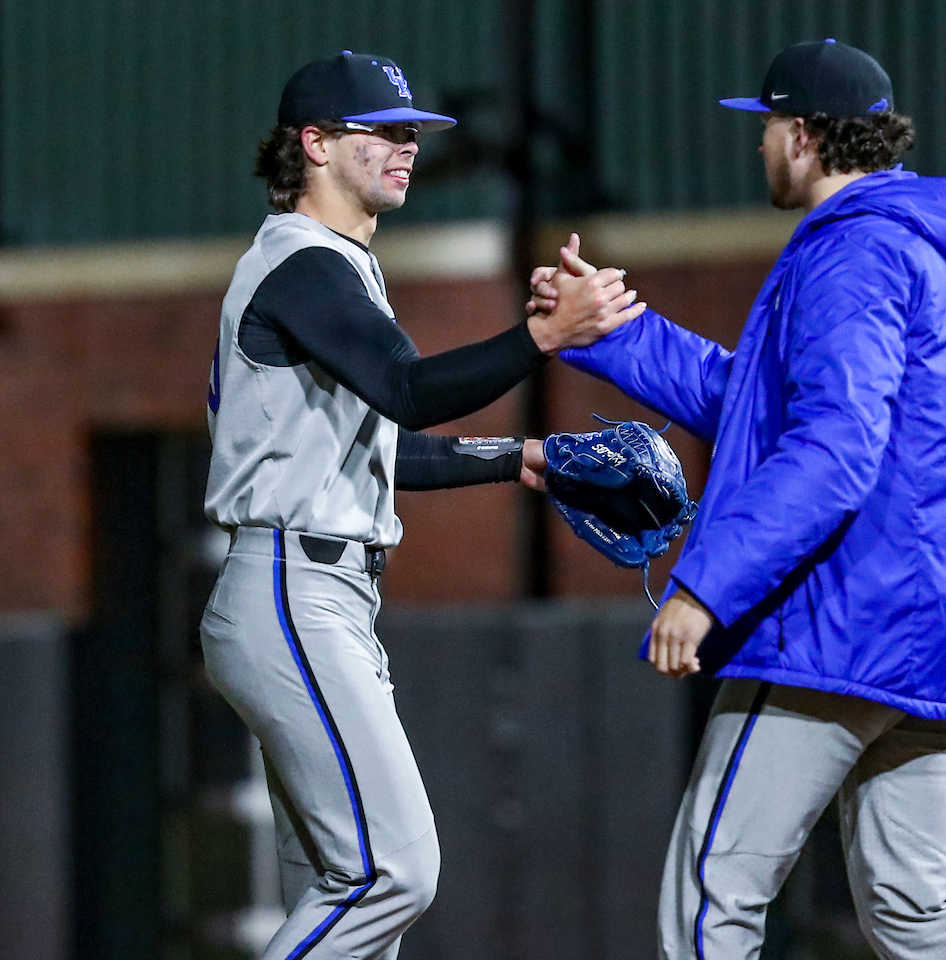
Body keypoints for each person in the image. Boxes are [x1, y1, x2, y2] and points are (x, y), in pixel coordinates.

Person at [530, 39, 946, 960]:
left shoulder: (853, 254)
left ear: (804, 135)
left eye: (766, 125)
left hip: (850, 624)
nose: (760, 143)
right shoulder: (911, 247)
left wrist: (705, 587)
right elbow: (759, 409)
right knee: (916, 913)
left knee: (709, 895)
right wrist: (612, 333)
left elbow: (833, 450)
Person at [199, 51, 642, 960]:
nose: (407, 148)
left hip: (318, 592)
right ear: (314, 144)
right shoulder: (303, 262)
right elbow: (409, 388)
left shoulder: (332, 268)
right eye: (384, 132)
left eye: (413, 133)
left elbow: (383, 446)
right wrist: (542, 337)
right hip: (292, 588)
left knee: (348, 897)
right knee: (389, 873)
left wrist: (515, 457)